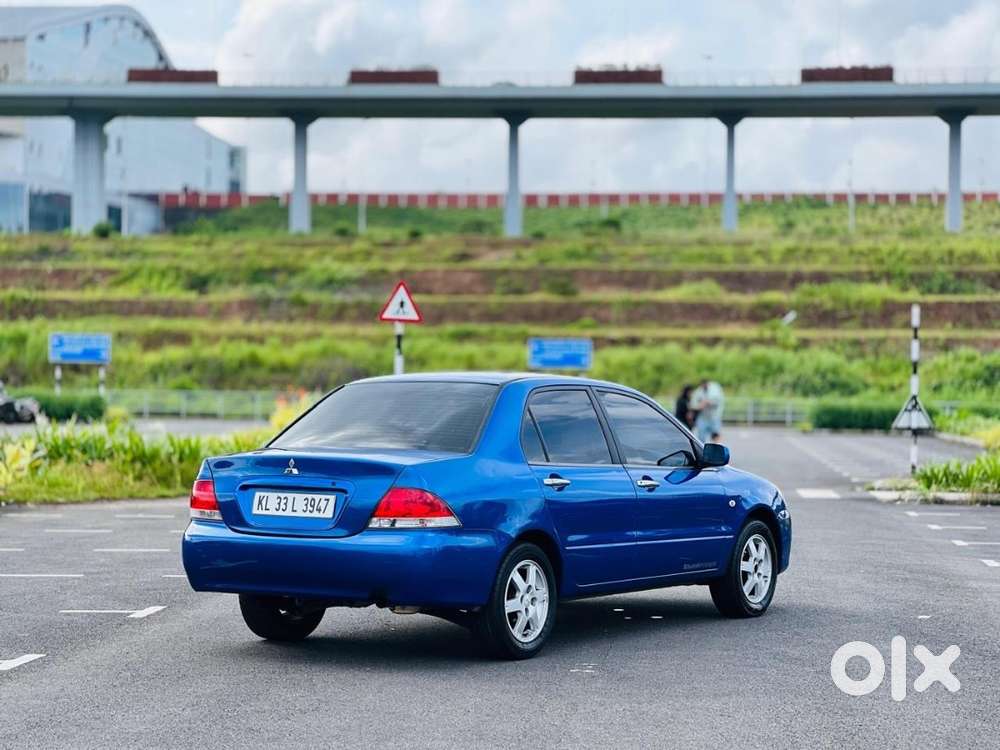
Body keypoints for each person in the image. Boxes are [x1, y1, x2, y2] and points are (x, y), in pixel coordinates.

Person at [690, 378, 725, 443]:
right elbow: (694, 404)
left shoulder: (715, 389)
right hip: (703, 417)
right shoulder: (698, 391)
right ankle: (702, 450)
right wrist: (700, 405)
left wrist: (707, 402)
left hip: (714, 417)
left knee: (716, 436)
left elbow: (717, 401)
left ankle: (717, 449)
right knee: (701, 437)